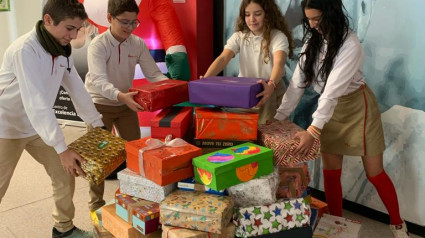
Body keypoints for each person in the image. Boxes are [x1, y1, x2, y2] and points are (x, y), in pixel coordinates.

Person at [273, 0, 409, 237]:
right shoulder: (313, 41)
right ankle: (336, 225)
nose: (313, 25)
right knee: (331, 171)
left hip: (357, 108)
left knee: (374, 172)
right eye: (309, 20)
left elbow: (332, 90)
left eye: (317, 19)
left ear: (331, 14)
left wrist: (313, 130)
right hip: (329, 111)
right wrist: (279, 118)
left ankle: (398, 226)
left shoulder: (351, 44)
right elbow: (297, 84)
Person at [0, 0, 103, 237]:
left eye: (78, 29)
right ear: (48, 20)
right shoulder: (25, 50)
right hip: (6, 126)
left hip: (37, 127)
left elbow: (76, 87)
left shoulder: (60, 49)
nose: (74, 35)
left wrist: (97, 124)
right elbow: (35, 103)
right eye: (69, 28)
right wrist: (61, 147)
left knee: (64, 172)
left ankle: (63, 229)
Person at [84, 0, 168, 215]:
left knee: (134, 151)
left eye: (134, 22)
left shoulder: (137, 43)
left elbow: (153, 74)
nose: (130, 28)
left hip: (125, 104)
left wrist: (169, 86)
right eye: (125, 22)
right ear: (110, 18)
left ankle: (133, 197)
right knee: (98, 158)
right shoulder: (98, 45)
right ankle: (95, 205)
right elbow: (99, 81)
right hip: (98, 105)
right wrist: (121, 96)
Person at [202, 0, 294, 124]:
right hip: (245, 90)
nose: (252, 19)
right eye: (247, 14)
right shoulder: (239, 37)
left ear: (268, 14)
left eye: (257, 14)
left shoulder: (277, 37)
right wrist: (206, 80)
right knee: (242, 128)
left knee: (267, 130)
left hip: (269, 89)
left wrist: (271, 86)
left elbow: (279, 63)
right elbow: (223, 58)